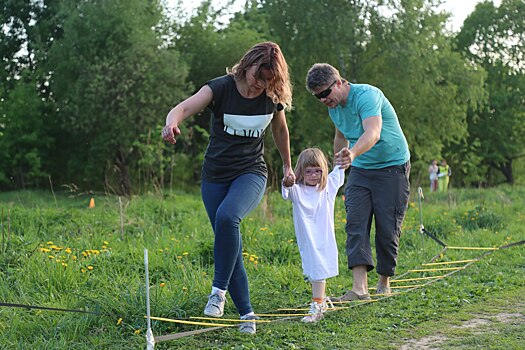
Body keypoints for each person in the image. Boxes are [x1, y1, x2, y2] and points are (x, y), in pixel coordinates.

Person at [162, 42, 294, 334]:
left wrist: (287, 165)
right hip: (215, 176)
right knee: (228, 240)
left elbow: (280, 129)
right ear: (247, 65)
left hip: (251, 172)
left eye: (268, 80)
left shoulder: (271, 97)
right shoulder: (220, 88)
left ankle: (217, 291)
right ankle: (247, 314)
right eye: (257, 77)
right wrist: (171, 124)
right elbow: (183, 107)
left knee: (228, 217)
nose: (260, 85)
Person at [305, 63, 410, 301]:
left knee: (387, 226)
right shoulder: (334, 108)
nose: (323, 100)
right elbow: (340, 137)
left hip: (391, 166)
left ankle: (384, 280)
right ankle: (359, 288)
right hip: (361, 170)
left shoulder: (367, 96)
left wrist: (352, 154)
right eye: (317, 96)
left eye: (325, 93)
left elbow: (372, 132)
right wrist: (335, 173)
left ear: (339, 82)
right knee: (356, 223)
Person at [282, 148, 345, 323]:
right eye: (308, 171)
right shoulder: (297, 190)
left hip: (324, 239)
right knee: (313, 270)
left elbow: (340, 167)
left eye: (318, 170)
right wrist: (287, 180)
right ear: (301, 171)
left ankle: (317, 305)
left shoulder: (328, 187)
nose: (314, 175)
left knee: (318, 270)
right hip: (308, 240)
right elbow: (286, 188)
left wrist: (346, 151)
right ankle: (321, 300)